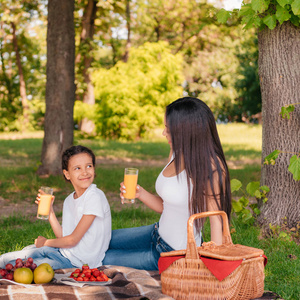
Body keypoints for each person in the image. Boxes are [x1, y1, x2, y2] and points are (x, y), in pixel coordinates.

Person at [103, 97, 231, 270]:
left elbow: (217, 221)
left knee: (100, 259)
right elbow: (166, 206)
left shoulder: (212, 168)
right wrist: (140, 193)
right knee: (99, 239)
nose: (164, 134)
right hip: (155, 233)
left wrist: (214, 269)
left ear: (186, 132)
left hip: (172, 254)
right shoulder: (177, 152)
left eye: (168, 130)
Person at [0, 145, 111, 270]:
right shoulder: (69, 200)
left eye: (89, 166)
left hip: (77, 263)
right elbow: (63, 237)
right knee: (4, 259)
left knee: (17, 268)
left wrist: (45, 242)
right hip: (61, 251)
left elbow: (72, 240)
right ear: (67, 174)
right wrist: (50, 212)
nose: (85, 172)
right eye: (77, 168)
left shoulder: (95, 196)